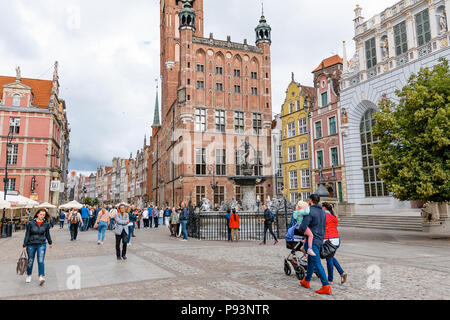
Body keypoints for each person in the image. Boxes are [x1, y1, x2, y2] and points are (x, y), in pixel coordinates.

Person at [299, 194, 331, 295]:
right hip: (320, 239)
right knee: (311, 261)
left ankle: (326, 286)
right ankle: (306, 280)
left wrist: (300, 230)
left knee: (317, 263)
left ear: (311, 201)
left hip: (313, 240)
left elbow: (304, 226)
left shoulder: (310, 211)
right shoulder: (322, 211)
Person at [22, 209, 53, 285]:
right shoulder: (31, 223)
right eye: (41, 214)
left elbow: (47, 234)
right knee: (30, 261)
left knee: (41, 261)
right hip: (31, 244)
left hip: (41, 244)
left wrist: (50, 242)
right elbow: (27, 234)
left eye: (44, 215)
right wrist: (24, 245)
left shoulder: (46, 224)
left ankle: (41, 276)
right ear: (37, 214)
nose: (42, 216)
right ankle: (29, 275)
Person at [322, 202, 347, 285]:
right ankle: (342, 273)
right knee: (331, 257)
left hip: (329, 239)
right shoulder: (334, 216)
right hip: (336, 239)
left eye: (322, 207)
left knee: (329, 259)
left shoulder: (324, 216)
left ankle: (330, 280)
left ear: (324, 208)